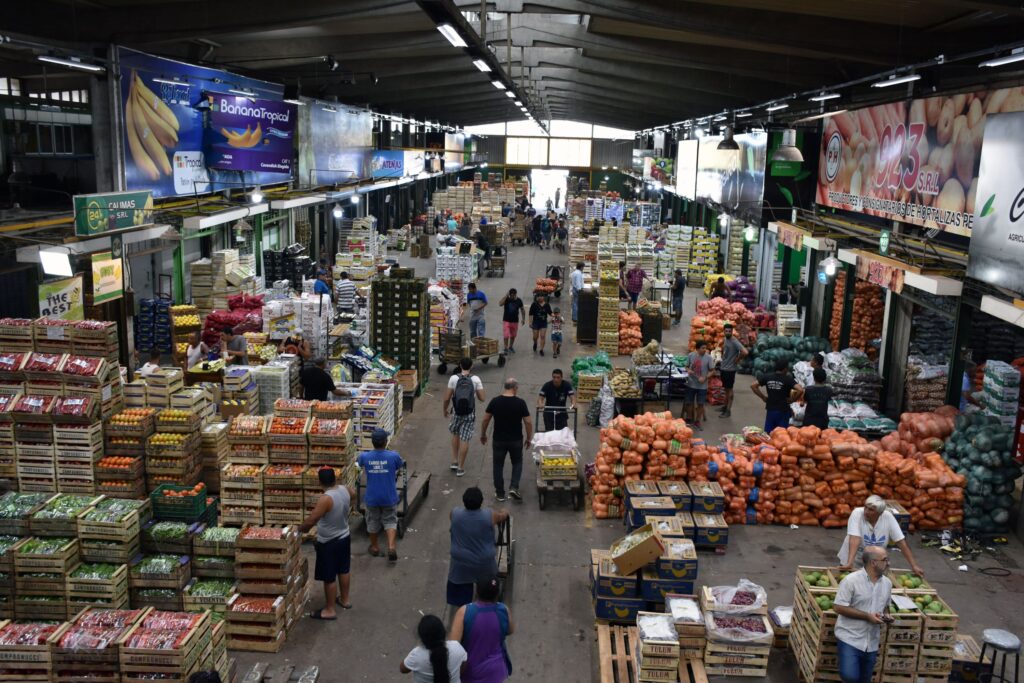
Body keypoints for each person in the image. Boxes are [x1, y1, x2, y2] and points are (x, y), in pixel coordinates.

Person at [300, 466, 354, 619]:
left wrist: (299, 529)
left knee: (329, 576)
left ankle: (329, 610)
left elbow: (313, 519)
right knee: (344, 569)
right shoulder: (345, 490)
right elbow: (354, 494)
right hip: (344, 536)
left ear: (320, 482)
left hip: (329, 542)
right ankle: (345, 600)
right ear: (335, 479)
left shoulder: (326, 499)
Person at [833, 546, 893, 683]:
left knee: (864, 680)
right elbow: (838, 606)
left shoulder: (887, 584)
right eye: (885, 560)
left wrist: (887, 616)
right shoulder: (851, 581)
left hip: (871, 641)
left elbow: (885, 606)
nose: (888, 563)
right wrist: (867, 616)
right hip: (850, 637)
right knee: (850, 676)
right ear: (873, 563)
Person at [448, 487, 509, 608]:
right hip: (483, 563)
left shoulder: (454, 513)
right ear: (481, 502)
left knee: (462, 600)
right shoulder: (489, 515)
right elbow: (502, 516)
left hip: (461, 563)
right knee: (488, 583)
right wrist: (505, 511)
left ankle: (463, 607)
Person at [837, 495, 924, 577]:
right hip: (852, 558)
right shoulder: (857, 513)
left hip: (872, 562)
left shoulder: (888, 517)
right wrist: (849, 562)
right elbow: (855, 538)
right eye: (865, 507)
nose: (866, 511)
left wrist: (914, 565)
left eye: (871, 510)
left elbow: (901, 542)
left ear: (880, 513)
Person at [450, 577, 514, 683]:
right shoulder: (503, 610)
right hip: (496, 672)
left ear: (477, 591)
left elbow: (453, 646)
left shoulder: (465, 612)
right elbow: (510, 630)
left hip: (470, 672)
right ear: (497, 593)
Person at [356, 428, 405, 564]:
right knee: (390, 520)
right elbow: (399, 465)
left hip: (372, 497)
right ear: (385, 442)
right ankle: (391, 546)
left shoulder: (365, 457)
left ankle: (375, 547)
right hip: (389, 496)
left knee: (372, 521)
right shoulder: (393, 456)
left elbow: (357, 465)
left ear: (372, 442)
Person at [480, 379, 533, 502]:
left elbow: (485, 420)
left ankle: (500, 493)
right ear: (514, 388)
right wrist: (529, 437)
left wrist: (483, 434)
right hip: (516, 440)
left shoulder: (495, 401)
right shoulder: (520, 403)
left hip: (499, 439)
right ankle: (514, 487)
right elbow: (528, 421)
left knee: (498, 465)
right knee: (517, 462)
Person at [444, 358, 486, 477]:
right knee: (465, 439)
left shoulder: (454, 378)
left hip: (456, 412)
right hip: (469, 413)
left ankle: (454, 461)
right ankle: (461, 468)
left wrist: (444, 410)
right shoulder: (475, 379)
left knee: (455, 433)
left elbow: (447, 398)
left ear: (460, 365)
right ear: (472, 366)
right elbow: (482, 398)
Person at [401, 614, 467, 683]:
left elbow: (403, 669)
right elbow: (463, 666)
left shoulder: (416, 655)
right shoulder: (457, 647)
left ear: (422, 637)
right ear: (443, 632)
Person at [751, 359, 802, 432]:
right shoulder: (788, 379)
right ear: (785, 369)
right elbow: (800, 390)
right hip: (783, 410)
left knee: (769, 433)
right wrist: (792, 400)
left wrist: (763, 397)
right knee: (781, 434)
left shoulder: (767, 377)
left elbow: (753, 386)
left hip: (771, 409)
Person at [718, 324, 748, 418]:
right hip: (724, 368)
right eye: (726, 331)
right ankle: (725, 406)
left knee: (729, 389)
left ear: (732, 331)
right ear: (724, 331)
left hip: (730, 370)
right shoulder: (726, 339)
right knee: (726, 389)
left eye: (729, 331)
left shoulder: (734, 341)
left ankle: (728, 411)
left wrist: (737, 360)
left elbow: (745, 352)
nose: (728, 333)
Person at [685, 341, 710, 430]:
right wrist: (688, 370)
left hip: (702, 386)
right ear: (697, 349)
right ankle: (689, 419)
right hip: (691, 383)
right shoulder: (691, 355)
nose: (704, 350)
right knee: (689, 402)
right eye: (702, 348)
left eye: (705, 348)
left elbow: (712, 370)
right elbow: (686, 366)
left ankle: (697, 421)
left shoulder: (708, 358)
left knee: (700, 403)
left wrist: (705, 378)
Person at [499, 289, 526, 355]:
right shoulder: (507, 299)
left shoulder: (519, 300)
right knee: (506, 335)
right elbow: (500, 304)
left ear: (516, 294)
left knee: (513, 335)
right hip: (506, 320)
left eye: (514, 295)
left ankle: (510, 346)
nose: (512, 297)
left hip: (515, 321)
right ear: (509, 294)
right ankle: (505, 348)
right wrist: (506, 296)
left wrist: (523, 319)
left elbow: (522, 310)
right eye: (511, 295)